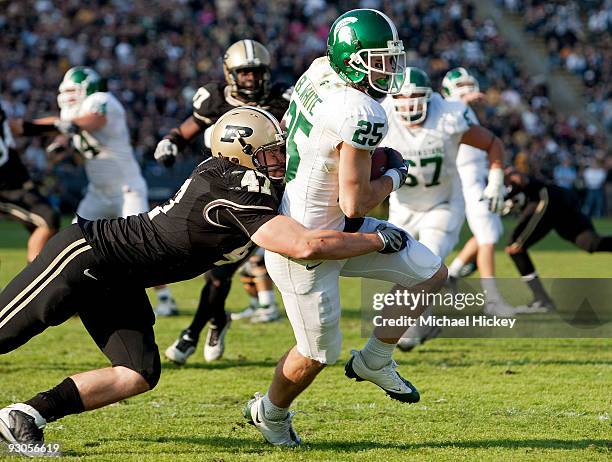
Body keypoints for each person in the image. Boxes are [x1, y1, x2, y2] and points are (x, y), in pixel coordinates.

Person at [0, 107, 409, 454]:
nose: (280, 156)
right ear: (240, 155)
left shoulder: (240, 174)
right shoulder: (235, 190)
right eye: (271, 151)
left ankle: (25, 416)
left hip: (119, 277)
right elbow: (304, 246)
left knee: (137, 372)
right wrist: (374, 238)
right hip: (86, 255)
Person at [244, 10, 447, 447]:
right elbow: (354, 198)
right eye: (379, 60)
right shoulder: (359, 110)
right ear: (352, 59)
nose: (389, 70)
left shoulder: (320, 71)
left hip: (340, 226)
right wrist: (396, 174)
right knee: (316, 354)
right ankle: (271, 413)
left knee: (432, 274)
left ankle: (375, 359)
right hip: (309, 243)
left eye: (392, 59)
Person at [157, 39, 292, 366]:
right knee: (206, 265)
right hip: (214, 188)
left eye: (256, 72)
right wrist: (172, 140)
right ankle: (216, 320)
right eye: (244, 73)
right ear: (230, 73)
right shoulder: (214, 99)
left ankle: (194, 331)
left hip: (256, 195)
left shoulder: (282, 100)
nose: (250, 79)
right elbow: (191, 127)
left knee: (219, 272)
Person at [380, 66, 513, 352]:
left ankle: (412, 326)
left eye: (417, 96)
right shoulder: (383, 114)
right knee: (398, 268)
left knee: (424, 262)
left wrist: (495, 179)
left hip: (442, 203)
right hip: (402, 204)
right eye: (403, 97)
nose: (409, 104)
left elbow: (492, 143)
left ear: (431, 98)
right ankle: (425, 320)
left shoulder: (448, 115)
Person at [33, 66, 179, 317]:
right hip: (98, 192)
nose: (68, 96)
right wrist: (59, 143)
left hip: (127, 190)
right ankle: (74, 297)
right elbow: (72, 132)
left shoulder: (102, 101)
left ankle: (165, 299)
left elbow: (92, 121)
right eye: (65, 91)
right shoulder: (73, 116)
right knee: (73, 242)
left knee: (139, 245)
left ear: (88, 88)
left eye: (72, 90)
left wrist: (48, 126)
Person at [437, 67, 515, 323]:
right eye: (461, 86)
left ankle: (453, 273)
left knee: (489, 233)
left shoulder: (465, 110)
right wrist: (461, 101)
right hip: (466, 178)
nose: (467, 90)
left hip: (478, 175)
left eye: (469, 84)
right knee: (488, 238)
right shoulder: (449, 109)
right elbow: (448, 115)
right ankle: (491, 299)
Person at [504, 168, 611, 312]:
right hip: (555, 202)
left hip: (548, 200)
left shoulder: (495, 168)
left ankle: (542, 300)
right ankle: (542, 300)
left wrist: (507, 176)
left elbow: (518, 176)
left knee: (515, 247)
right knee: (590, 243)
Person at [0, 100, 60, 264]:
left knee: (49, 232)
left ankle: (44, 277)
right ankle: (34, 278)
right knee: (48, 219)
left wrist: (60, 125)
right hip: (6, 189)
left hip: (20, 183)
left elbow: (18, 127)